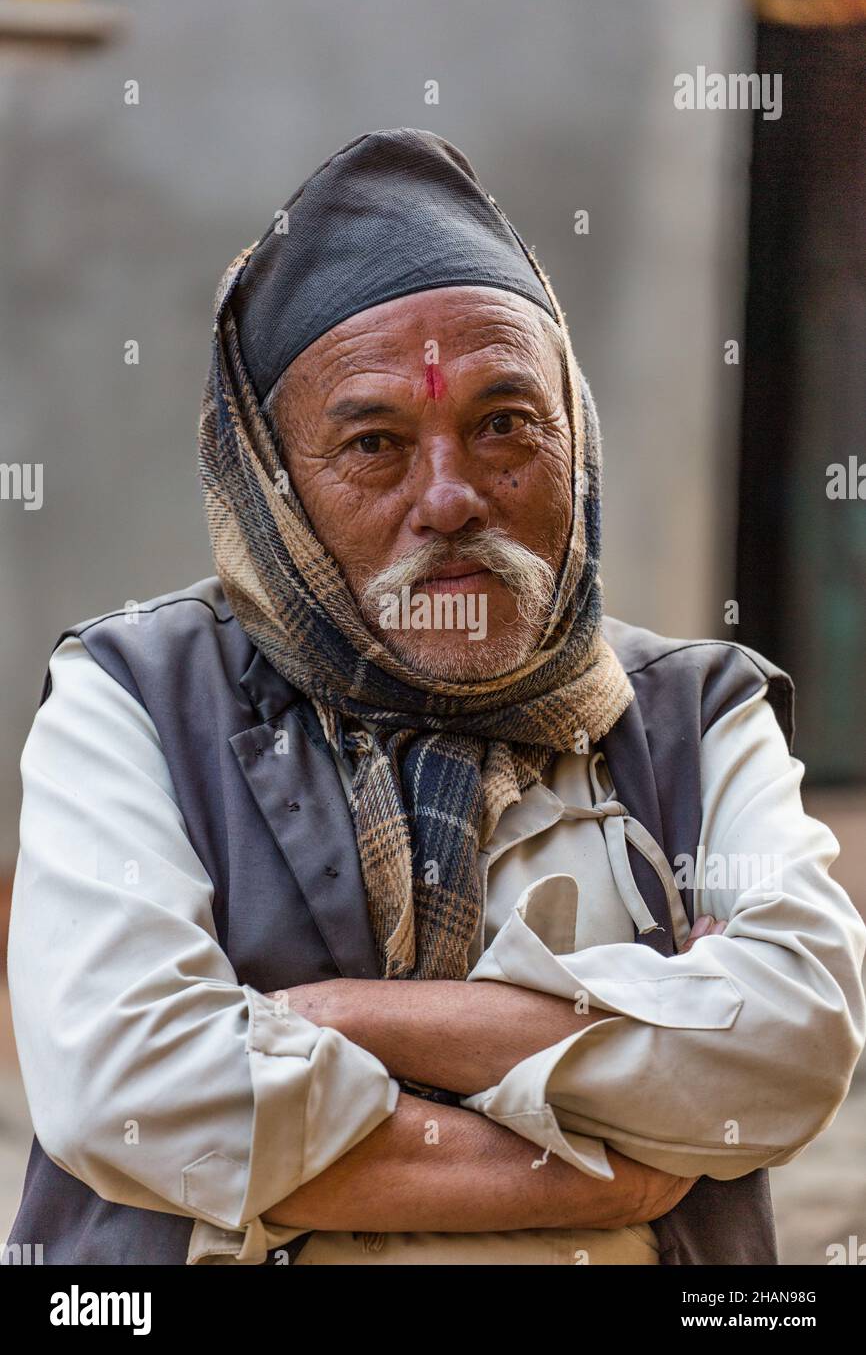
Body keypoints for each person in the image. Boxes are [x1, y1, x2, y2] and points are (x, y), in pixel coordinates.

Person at [6, 128, 865, 1266]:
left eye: (505, 423)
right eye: (374, 441)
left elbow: (794, 1044)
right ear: (269, 484)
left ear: (576, 439)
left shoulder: (693, 716)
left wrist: (326, 1021)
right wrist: (603, 1160)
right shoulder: (134, 701)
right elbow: (129, 1090)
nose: (452, 497)